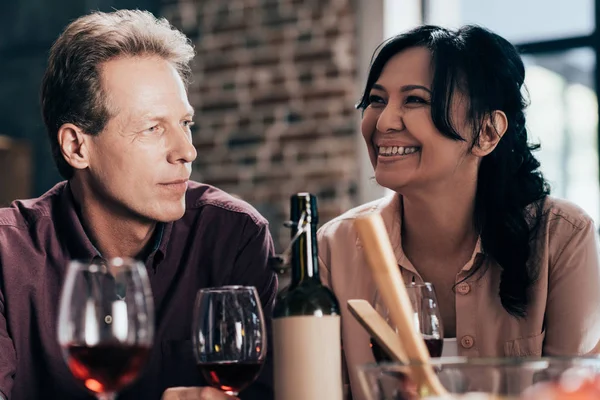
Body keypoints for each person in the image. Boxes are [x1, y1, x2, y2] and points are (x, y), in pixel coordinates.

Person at [0, 9, 277, 400]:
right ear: (77, 146)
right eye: (153, 128)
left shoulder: (234, 237)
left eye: (186, 123)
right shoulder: (6, 254)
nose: (187, 151)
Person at [317, 25, 600, 399]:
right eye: (376, 100)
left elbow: (576, 392)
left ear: (487, 131)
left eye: (415, 100)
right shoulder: (334, 247)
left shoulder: (562, 236)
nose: (384, 122)